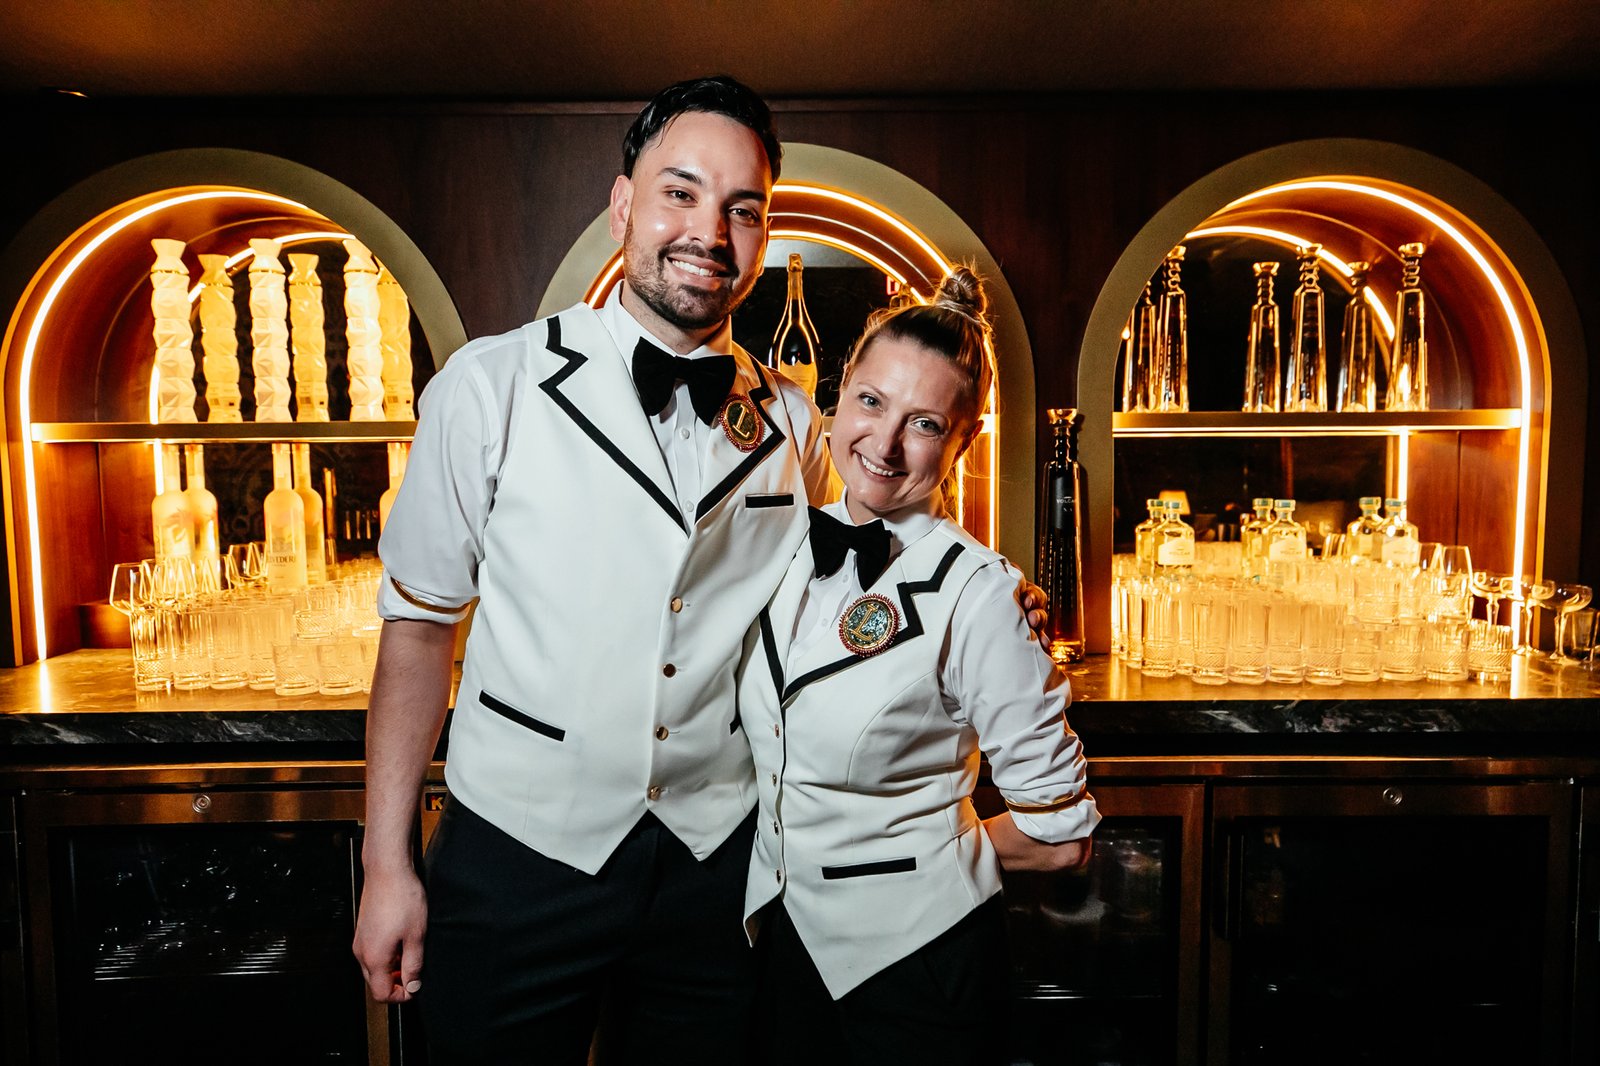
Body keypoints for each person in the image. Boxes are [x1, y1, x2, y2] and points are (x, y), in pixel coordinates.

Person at [352, 75, 831, 1065]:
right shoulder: (491, 387)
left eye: (743, 209)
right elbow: (419, 629)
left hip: (714, 867)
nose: (709, 231)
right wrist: (386, 863)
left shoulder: (793, 425)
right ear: (622, 207)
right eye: (680, 192)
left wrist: (977, 603)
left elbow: (824, 617)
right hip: (517, 856)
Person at [737, 265, 1100, 1066]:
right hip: (781, 950)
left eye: (925, 423)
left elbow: (1061, 836)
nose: (885, 443)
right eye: (871, 402)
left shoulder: (982, 596)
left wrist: (920, 860)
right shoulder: (776, 544)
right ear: (837, 397)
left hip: (917, 967)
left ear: (963, 442)